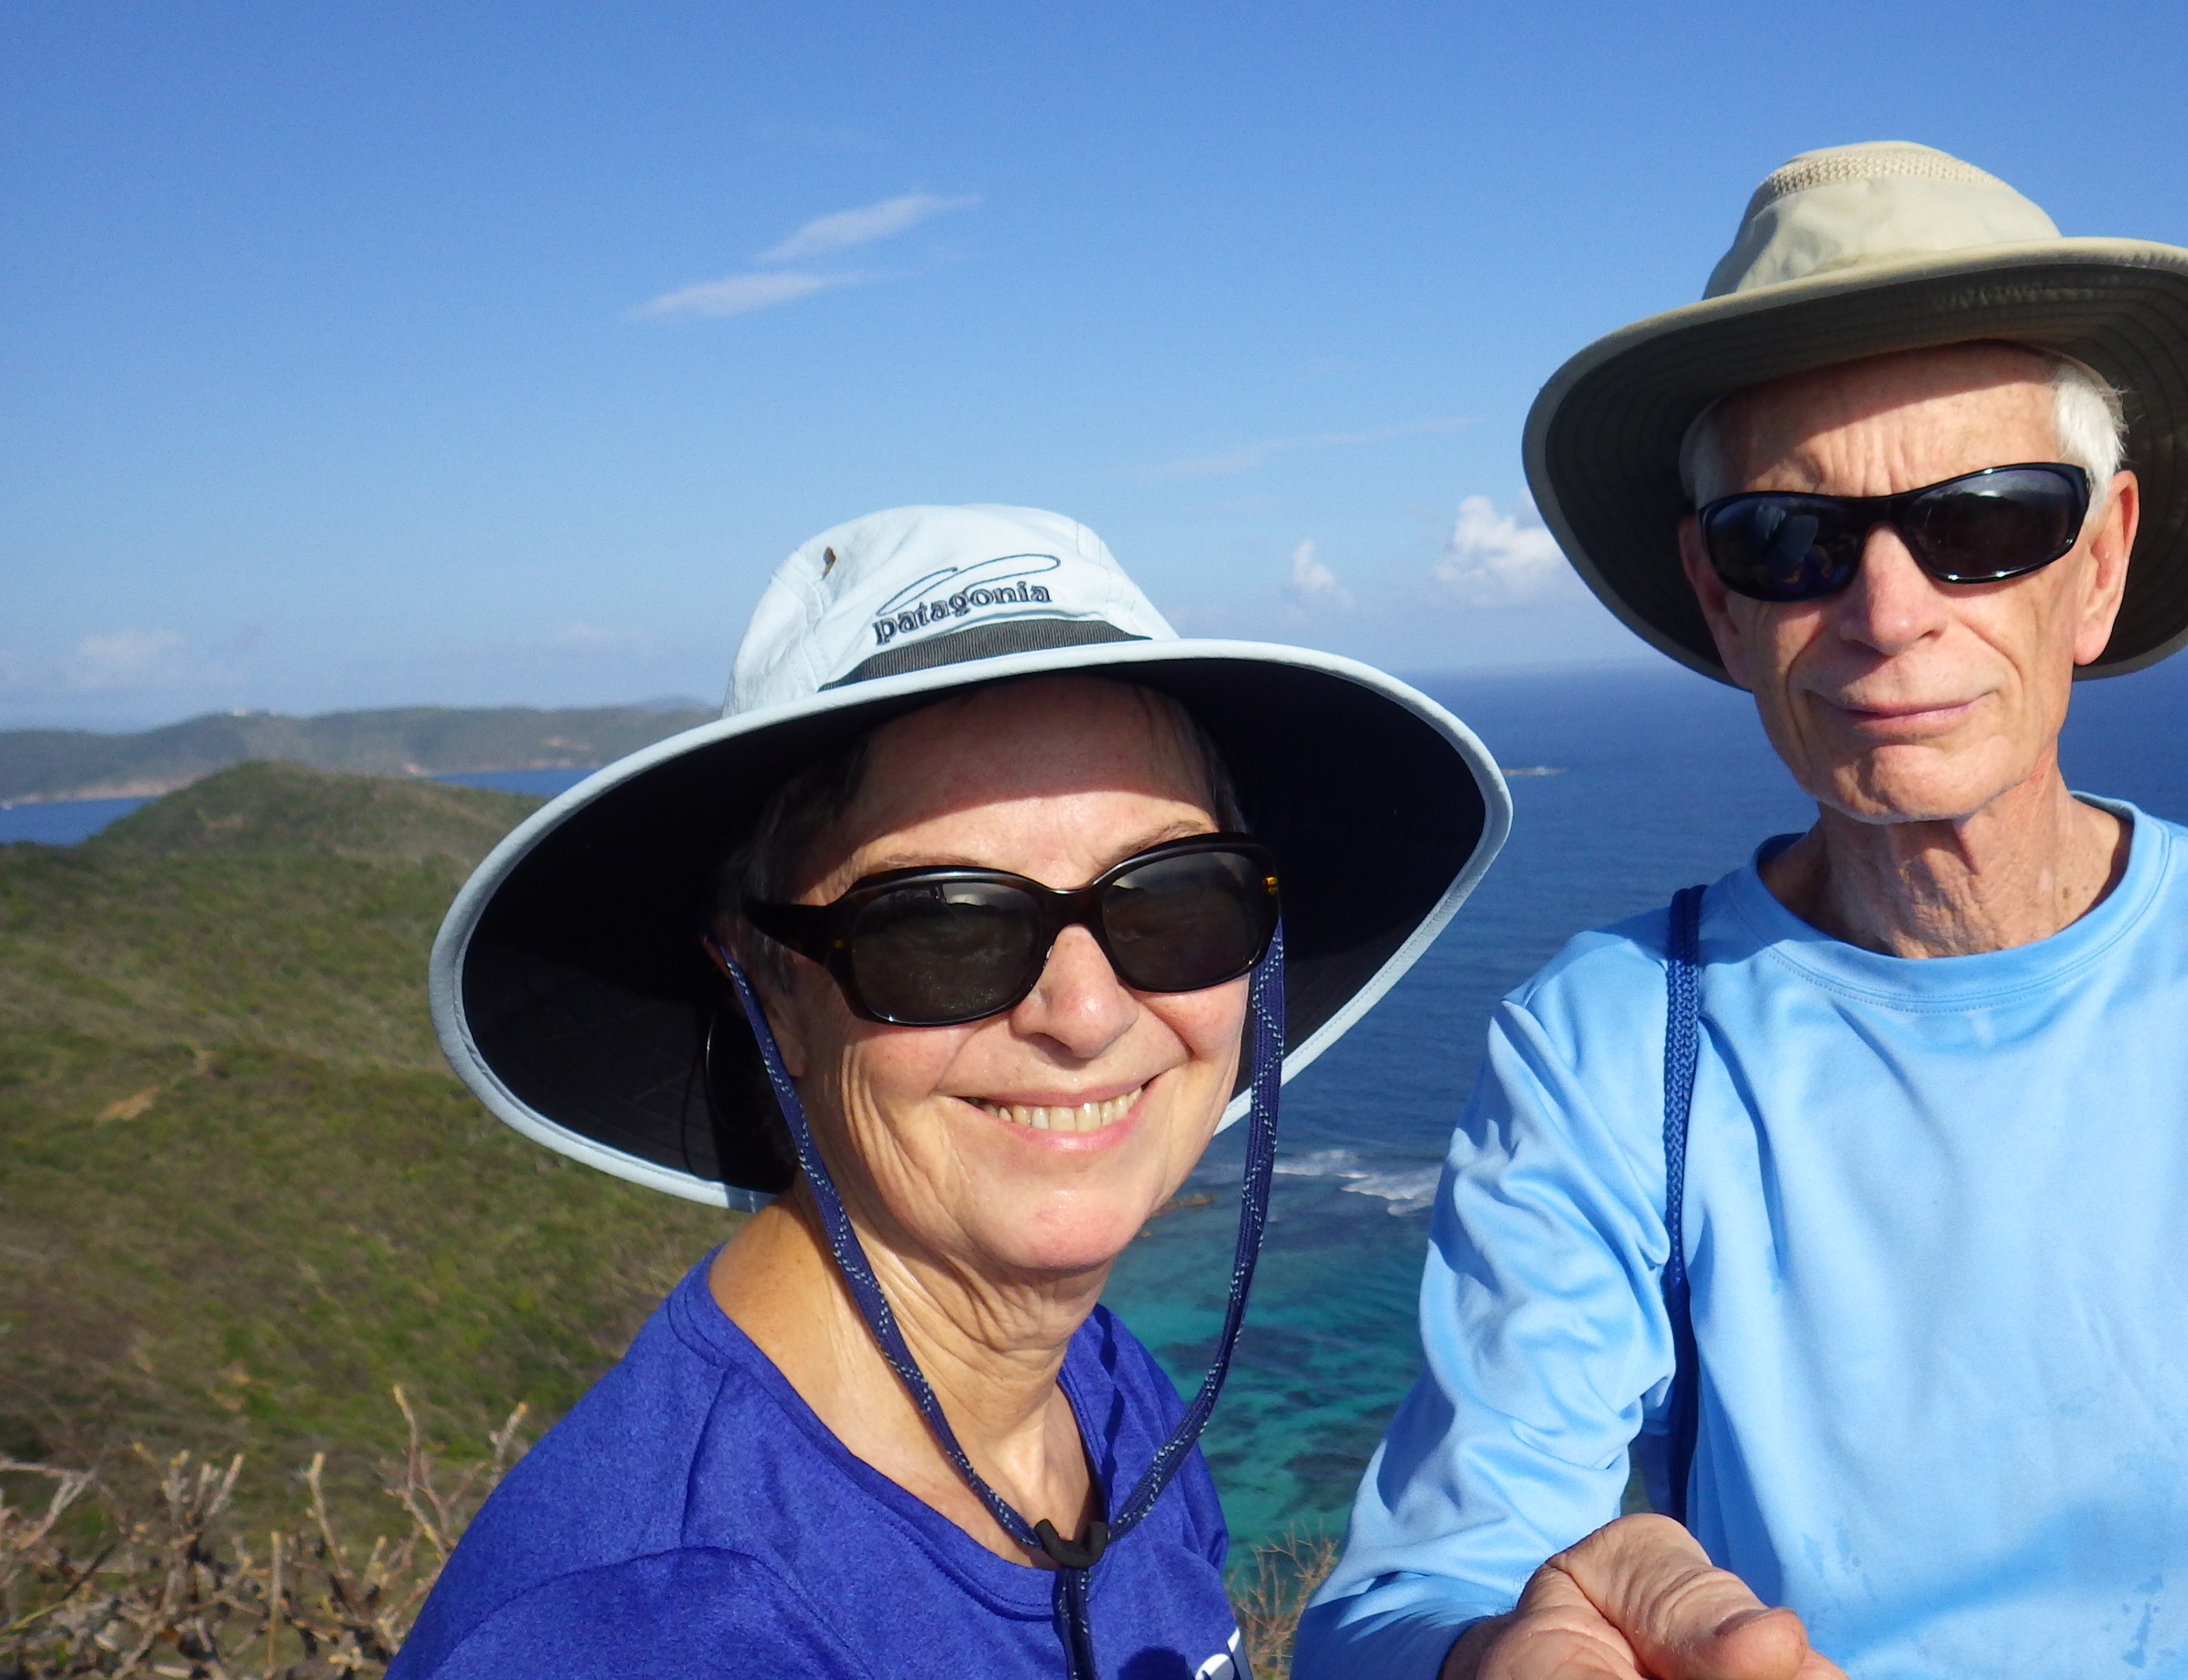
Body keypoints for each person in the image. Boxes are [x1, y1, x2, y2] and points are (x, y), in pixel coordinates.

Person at [1298, 144, 2188, 1679]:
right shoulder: (1611, 1050)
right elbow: (1424, 1585)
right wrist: (1491, 1657)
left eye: (1984, 522)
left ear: (2101, 562)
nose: (1889, 609)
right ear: (1721, 601)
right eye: (1790, 540)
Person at [392, 504, 1508, 1679]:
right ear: (770, 986)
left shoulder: (1098, 1389)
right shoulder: (659, 1631)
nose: (1085, 1014)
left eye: (1174, 898)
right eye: (940, 927)